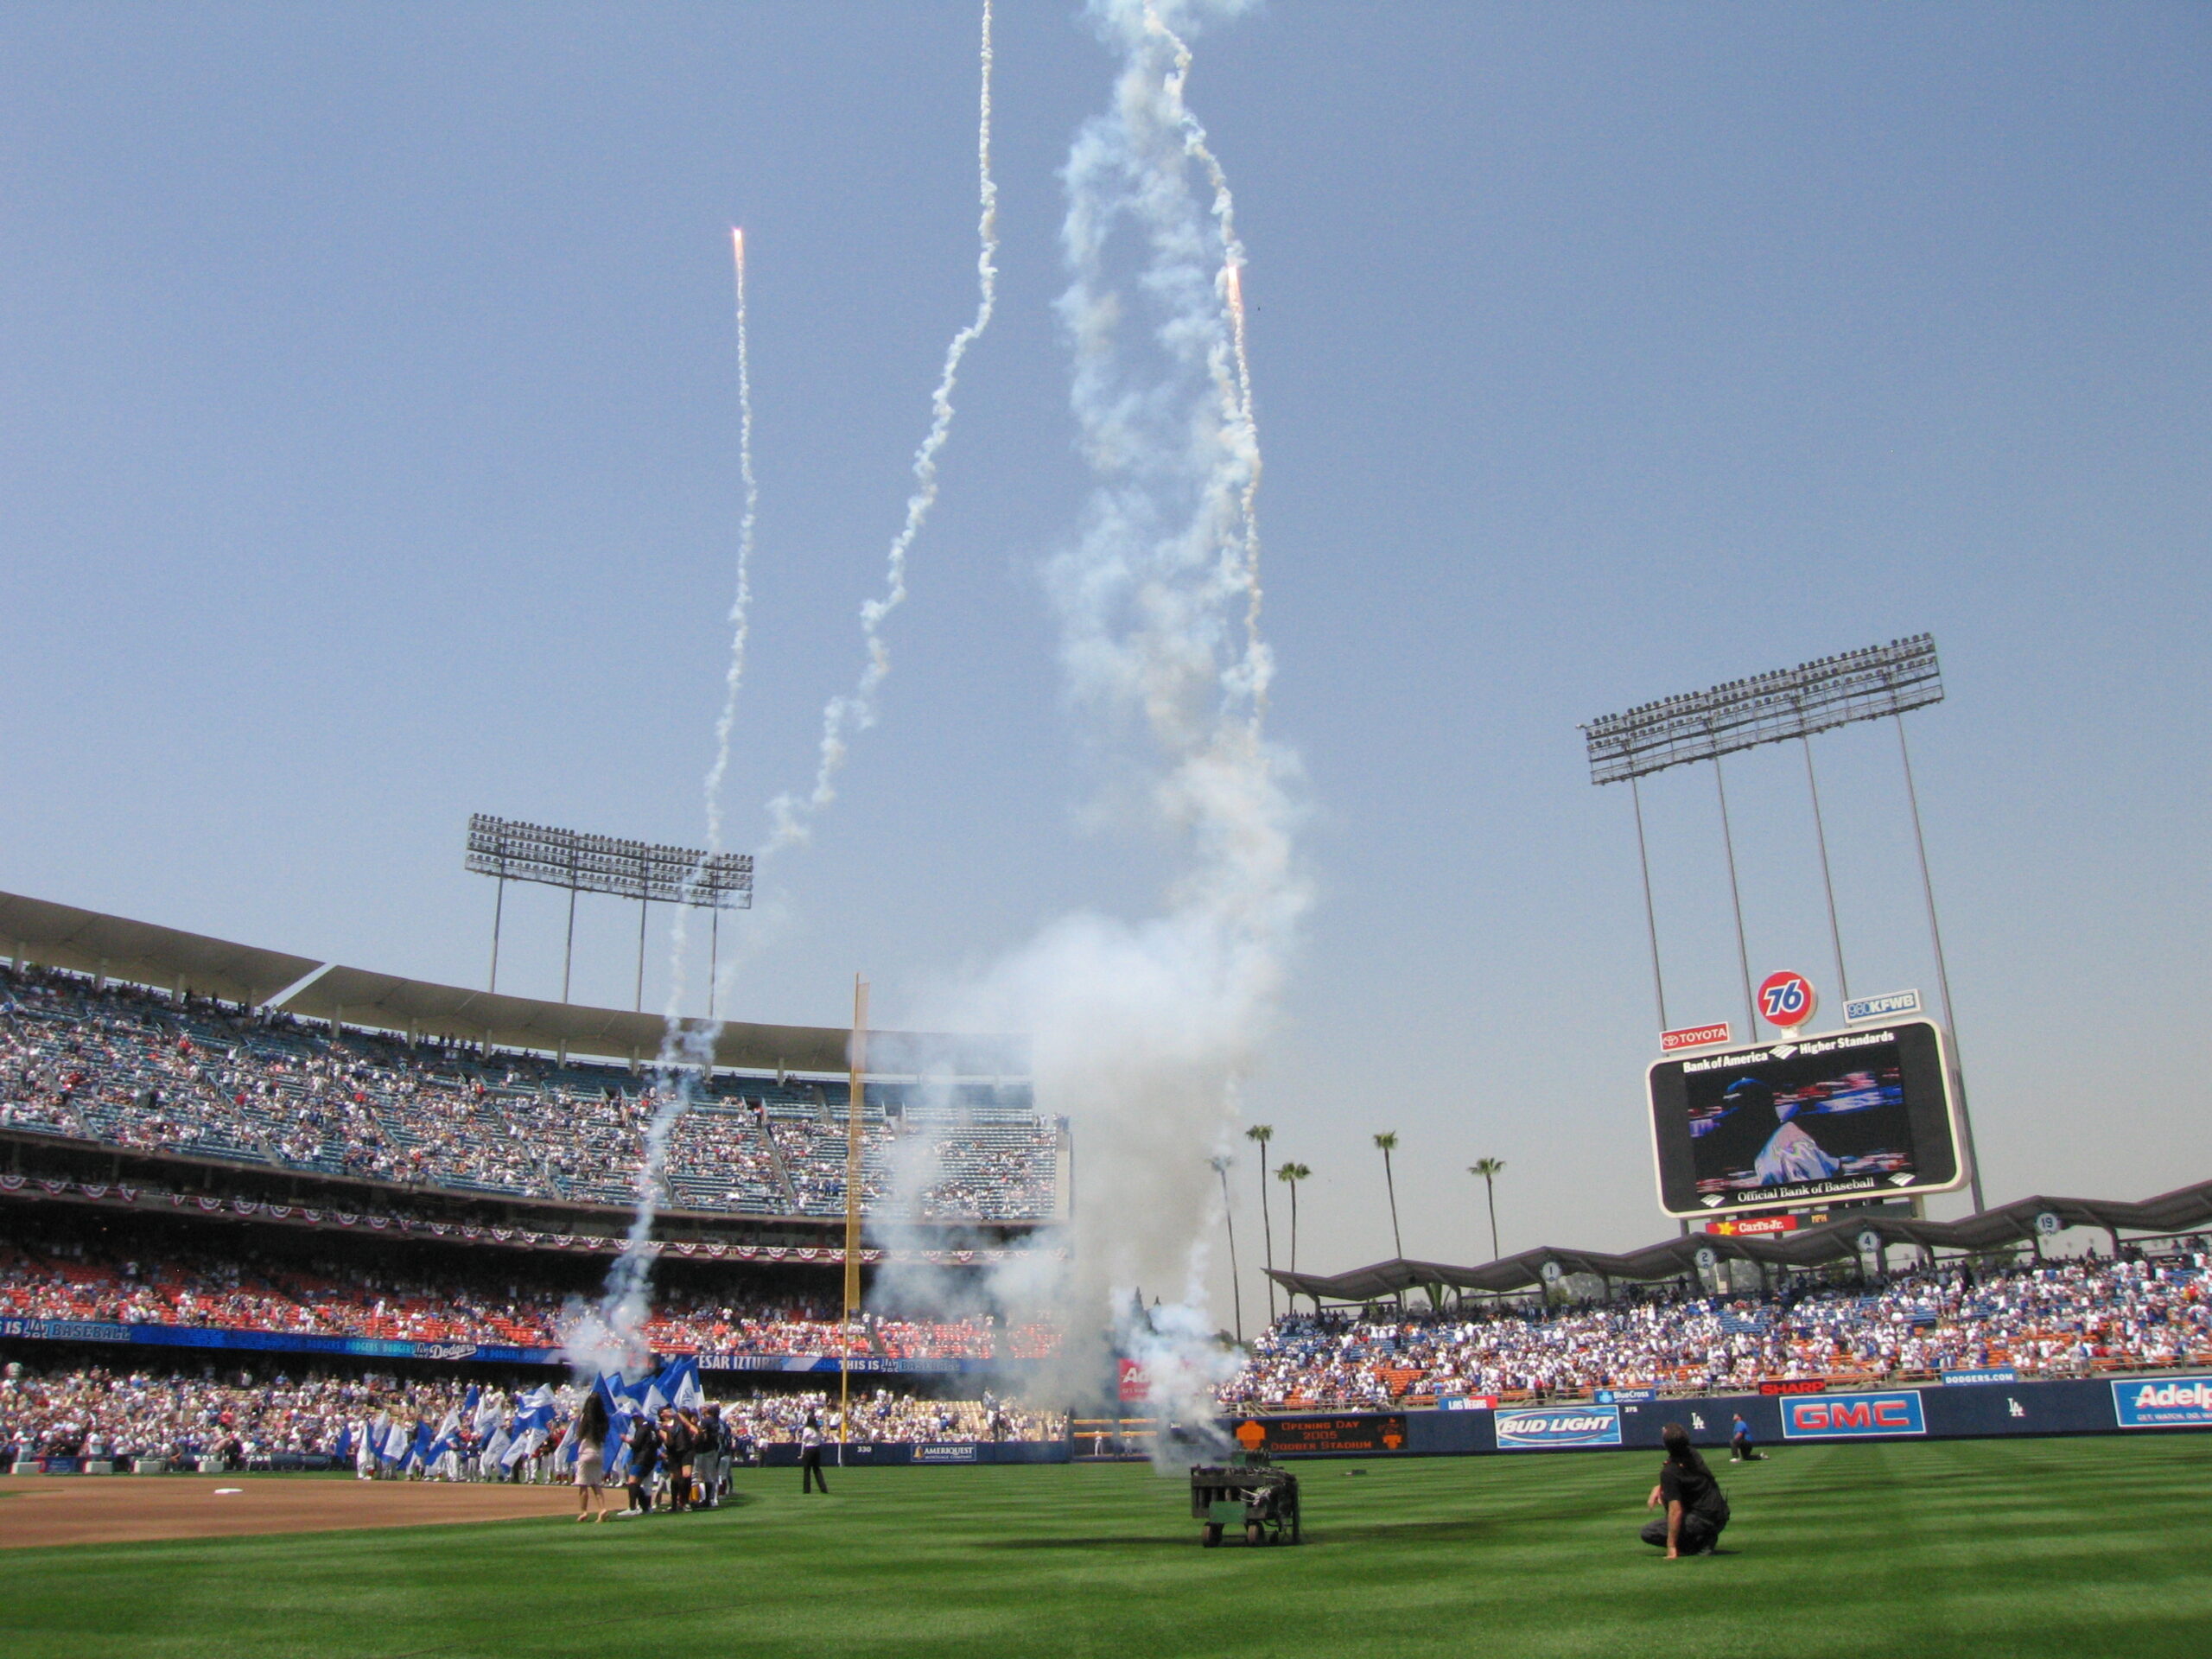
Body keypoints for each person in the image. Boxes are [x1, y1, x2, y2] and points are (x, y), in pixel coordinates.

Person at [1642, 1423, 1729, 1558]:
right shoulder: (1692, 1454)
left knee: (1649, 1532)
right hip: (1720, 1514)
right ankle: (1702, 1538)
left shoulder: (1670, 1472)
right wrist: (1659, 1486)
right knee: (1668, 1494)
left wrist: (1671, 1546)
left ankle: (1699, 1543)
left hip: (1703, 1520)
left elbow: (1675, 1511)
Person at [573, 1392, 610, 1522]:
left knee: (583, 1484)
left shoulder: (585, 1417)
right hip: (598, 1452)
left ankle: (583, 1511)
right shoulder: (604, 1418)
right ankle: (602, 1509)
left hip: (585, 1452)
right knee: (596, 1484)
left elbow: (580, 1434)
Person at [799, 1411, 828, 1495]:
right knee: (817, 1469)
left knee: (807, 1470)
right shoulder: (817, 1429)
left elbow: (804, 1441)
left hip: (809, 1449)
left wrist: (802, 1453)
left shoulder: (807, 1429)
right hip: (817, 1449)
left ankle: (807, 1490)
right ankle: (823, 1488)